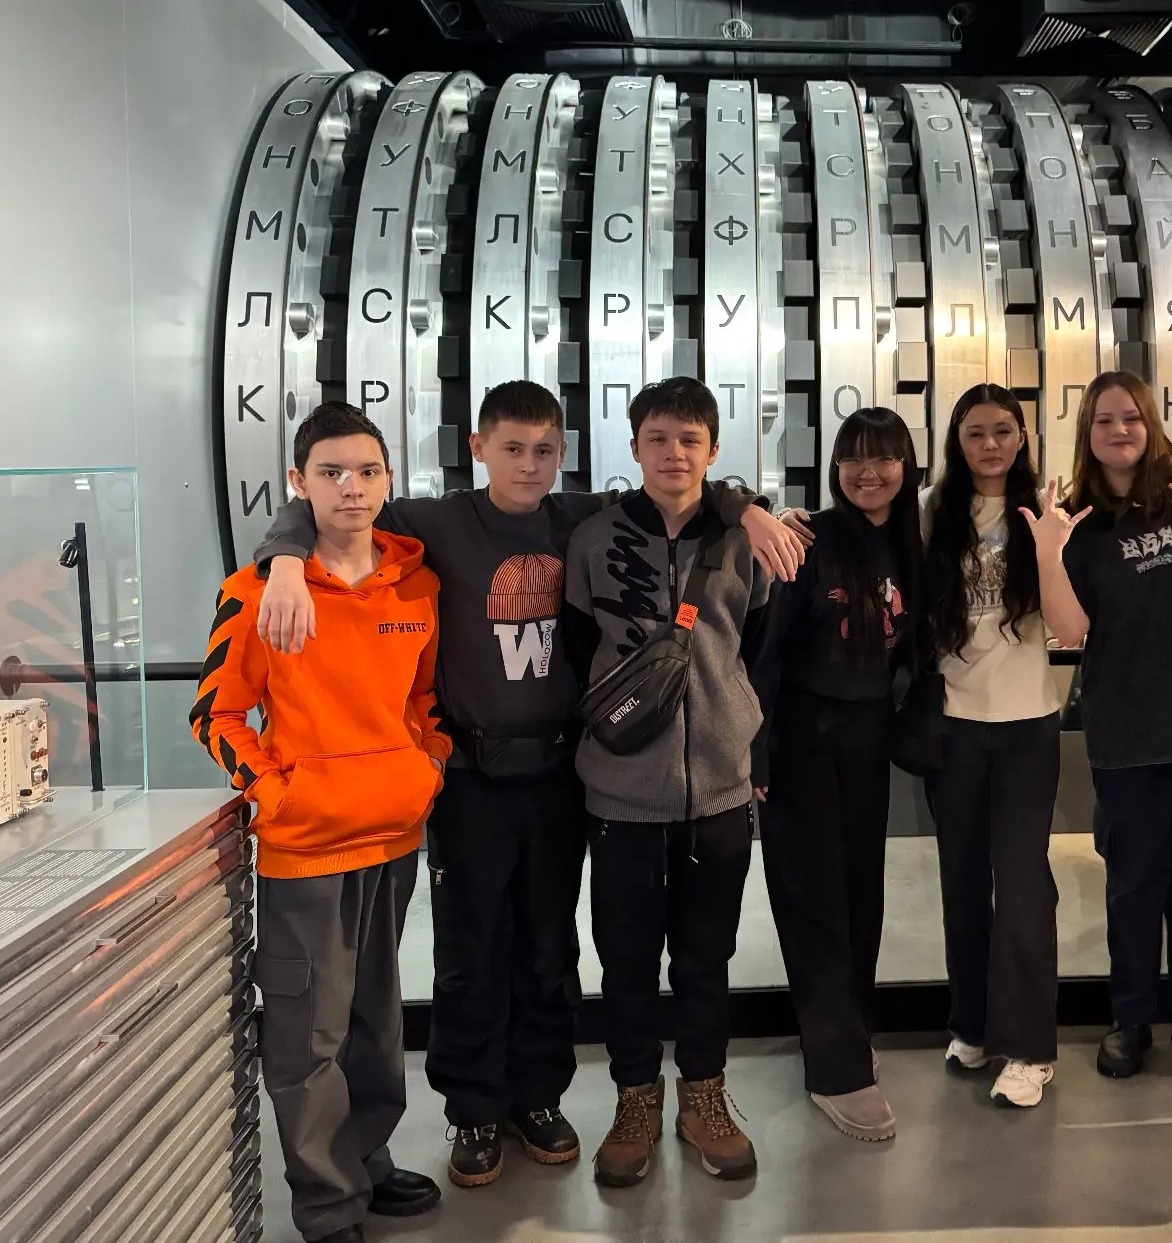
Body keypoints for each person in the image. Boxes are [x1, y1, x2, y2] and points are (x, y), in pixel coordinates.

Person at [248, 382, 802, 1188]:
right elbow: (335, 507)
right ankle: (474, 1109)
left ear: (564, 455)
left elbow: (681, 486)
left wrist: (745, 507)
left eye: (545, 450)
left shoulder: (581, 518)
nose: (529, 465)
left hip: (561, 776)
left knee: (550, 949)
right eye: (512, 448)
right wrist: (284, 563)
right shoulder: (435, 522)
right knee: (470, 952)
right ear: (478, 448)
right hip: (471, 777)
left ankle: (539, 1098)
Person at [190, 402, 448, 1243]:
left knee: (377, 1023)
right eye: (332, 472)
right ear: (298, 483)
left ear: (388, 479)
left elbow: (423, 699)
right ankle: (329, 1206)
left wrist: (428, 763)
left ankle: (367, 1162)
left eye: (367, 471)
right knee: (310, 1039)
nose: (352, 487)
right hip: (305, 850)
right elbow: (214, 715)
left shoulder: (416, 586)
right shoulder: (257, 593)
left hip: (393, 837)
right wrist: (274, 795)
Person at [1026, 371, 1172, 1087]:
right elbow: (1070, 631)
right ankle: (1129, 1020)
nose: (1120, 430)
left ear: (1150, 423)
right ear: (1087, 433)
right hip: (1127, 730)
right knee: (1133, 885)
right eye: (1104, 420)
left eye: (1131, 417)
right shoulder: (1080, 521)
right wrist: (1048, 551)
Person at [561, 377, 773, 1189]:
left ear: (712, 450)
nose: (674, 453)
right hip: (619, 794)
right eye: (658, 438)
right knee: (625, 963)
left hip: (718, 792)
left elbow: (762, 649)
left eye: (689, 439)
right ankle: (634, 1102)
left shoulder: (746, 539)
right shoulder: (594, 538)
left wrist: (744, 739)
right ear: (634, 446)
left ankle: (704, 1099)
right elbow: (577, 649)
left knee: (707, 958)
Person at [755, 407, 922, 1142]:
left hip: (867, 742)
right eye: (853, 457)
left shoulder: (913, 543)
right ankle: (835, 1068)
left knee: (861, 897)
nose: (868, 472)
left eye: (884, 457)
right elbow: (765, 652)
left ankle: (848, 1032)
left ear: (907, 466)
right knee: (812, 900)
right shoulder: (809, 539)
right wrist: (755, 751)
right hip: (800, 740)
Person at [921, 384, 1062, 1108]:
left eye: (1003, 431)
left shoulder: (1047, 509)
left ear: (1022, 437)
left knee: (1024, 883)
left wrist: (1053, 549)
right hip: (953, 724)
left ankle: (1032, 1047)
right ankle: (972, 1023)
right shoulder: (932, 512)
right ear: (957, 441)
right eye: (975, 433)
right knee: (963, 882)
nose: (990, 445)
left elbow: (1071, 624)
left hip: (1027, 722)